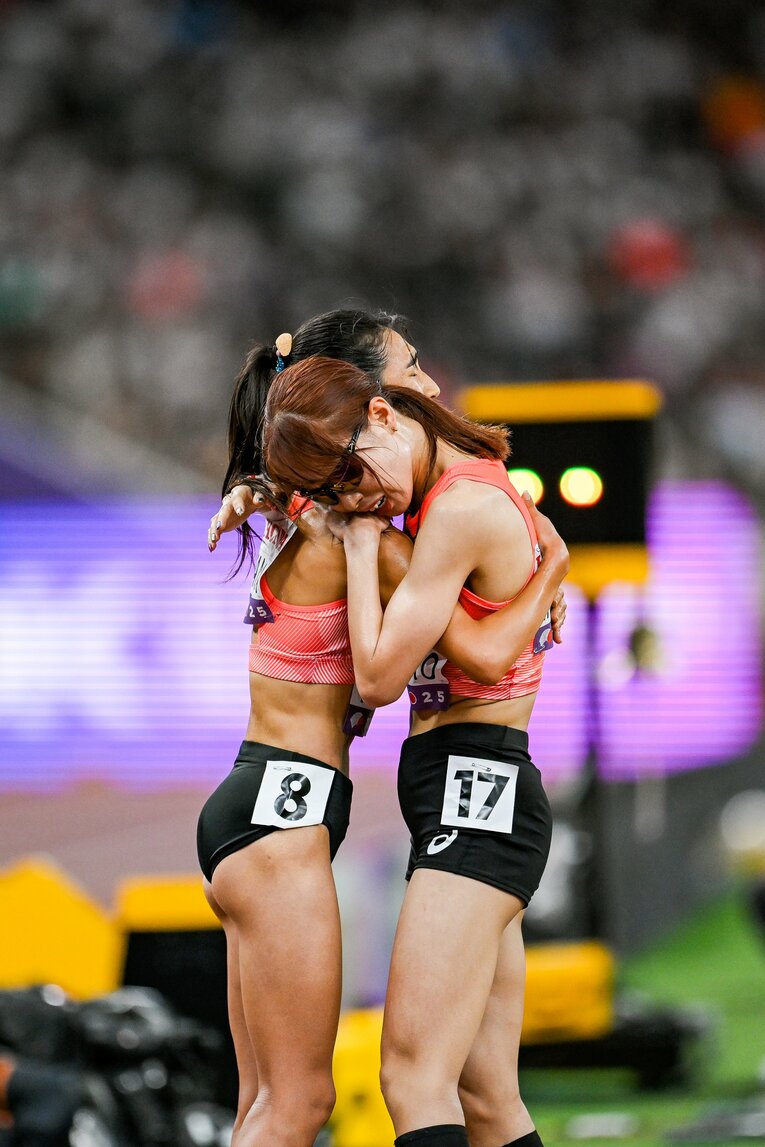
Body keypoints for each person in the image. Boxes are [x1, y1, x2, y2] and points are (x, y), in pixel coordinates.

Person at [200, 317, 568, 1147]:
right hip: (299, 813)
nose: (428, 382)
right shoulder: (353, 516)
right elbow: (440, 646)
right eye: (407, 369)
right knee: (308, 1105)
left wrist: (545, 562)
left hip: (432, 794)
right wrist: (549, 562)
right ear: (373, 406)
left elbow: (440, 655)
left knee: (398, 1088)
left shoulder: (404, 514)